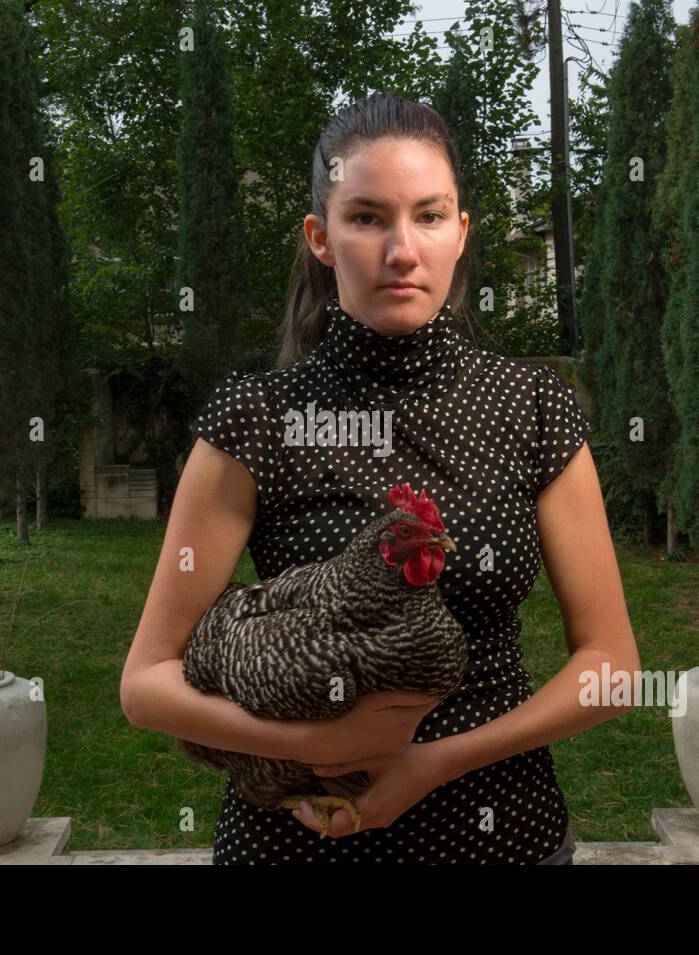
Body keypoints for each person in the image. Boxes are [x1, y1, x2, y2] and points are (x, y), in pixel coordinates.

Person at [120, 93, 640, 864]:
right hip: (294, 843)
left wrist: (429, 763)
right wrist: (317, 741)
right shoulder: (256, 418)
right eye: (366, 217)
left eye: (429, 216)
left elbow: (614, 668)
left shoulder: (531, 405)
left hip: (502, 835)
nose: (402, 249)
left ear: (461, 233)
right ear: (321, 238)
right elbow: (146, 683)